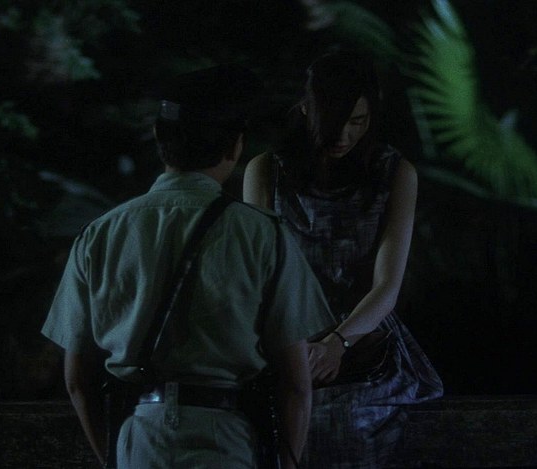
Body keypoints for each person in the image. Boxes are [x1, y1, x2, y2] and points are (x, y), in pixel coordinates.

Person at [42, 64, 334, 468]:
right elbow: (296, 384)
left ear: (159, 137)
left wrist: (115, 457)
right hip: (225, 437)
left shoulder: (100, 234)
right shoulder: (263, 234)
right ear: (235, 146)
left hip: (140, 436)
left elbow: (77, 380)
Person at [243, 52, 443, 467]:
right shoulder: (266, 171)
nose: (344, 134)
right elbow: (258, 278)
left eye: (358, 121)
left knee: (344, 422)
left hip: (364, 340)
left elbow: (387, 286)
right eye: (334, 120)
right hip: (285, 336)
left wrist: (338, 342)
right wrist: (291, 345)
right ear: (305, 108)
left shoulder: (394, 173)